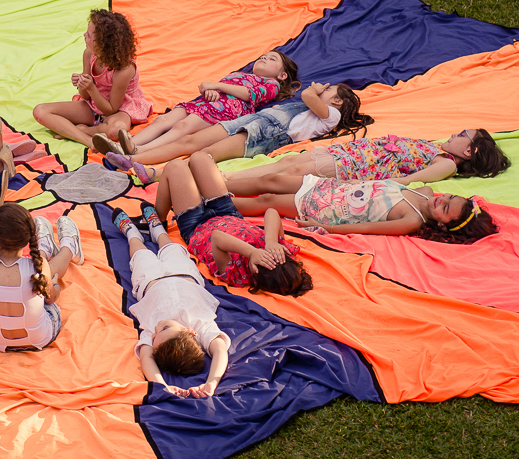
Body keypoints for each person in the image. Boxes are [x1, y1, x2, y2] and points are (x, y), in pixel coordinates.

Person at [105, 83, 371, 181]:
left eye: (329, 90)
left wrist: (315, 89)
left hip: (266, 133)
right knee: (190, 140)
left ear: (336, 101)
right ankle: (135, 153)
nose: (322, 88)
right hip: (253, 119)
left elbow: (308, 95)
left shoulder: (331, 115)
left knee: (205, 154)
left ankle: (153, 173)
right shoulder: (316, 106)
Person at [110, 204, 230, 397]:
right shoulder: (201, 326)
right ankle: (157, 228)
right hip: (183, 273)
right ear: (190, 332)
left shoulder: (154, 333)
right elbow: (220, 350)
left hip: (149, 279)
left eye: (156, 334)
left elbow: (146, 357)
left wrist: (161, 385)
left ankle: (132, 233)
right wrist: (212, 383)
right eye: (165, 328)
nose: (157, 327)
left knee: (139, 253)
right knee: (170, 247)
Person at [152, 155, 312, 295]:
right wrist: (271, 241)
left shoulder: (236, 274)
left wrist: (252, 253)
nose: (265, 255)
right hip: (227, 212)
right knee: (200, 158)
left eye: (262, 259)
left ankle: (157, 220)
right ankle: (194, 190)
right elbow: (271, 211)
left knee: (175, 167)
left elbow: (217, 237)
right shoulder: (277, 252)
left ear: (255, 272)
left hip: (196, 224)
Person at [93, 50, 299, 157]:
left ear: (282, 75)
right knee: (164, 120)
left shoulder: (271, 84)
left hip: (224, 111)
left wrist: (216, 85)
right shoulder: (238, 74)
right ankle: (129, 143)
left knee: (182, 127)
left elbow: (247, 94)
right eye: (263, 56)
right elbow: (220, 87)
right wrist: (210, 89)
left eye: (271, 59)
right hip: (204, 103)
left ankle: (139, 151)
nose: (264, 58)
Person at [230, 172, 498, 243]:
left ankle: (214, 199)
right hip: (332, 187)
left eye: (445, 209)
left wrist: (326, 227)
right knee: (271, 181)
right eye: (449, 197)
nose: (443, 200)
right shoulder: (424, 192)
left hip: (326, 206)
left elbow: (368, 227)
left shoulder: (411, 219)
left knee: (266, 201)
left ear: (441, 225)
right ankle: (218, 181)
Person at [222, 129, 510, 190]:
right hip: (350, 153)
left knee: (294, 169)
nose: (454, 134)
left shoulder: (446, 162)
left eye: (462, 135)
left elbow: (410, 179)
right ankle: (229, 178)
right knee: (288, 163)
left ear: (469, 151)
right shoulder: (438, 148)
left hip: (354, 167)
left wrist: (367, 183)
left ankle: (229, 184)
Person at [32, 8, 152, 148]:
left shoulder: (124, 69)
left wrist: (91, 87)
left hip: (120, 109)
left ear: (103, 45)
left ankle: (84, 130)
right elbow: (85, 96)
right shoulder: (89, 54)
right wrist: (82, 84)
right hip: (93, 106)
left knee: (117, 131)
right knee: (40, 111)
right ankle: (88, 140)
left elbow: (111, 109)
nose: (84, 35)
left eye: (89, 35)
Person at [0, 203, 83, 353]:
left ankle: (45, 248)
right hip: (39, 339)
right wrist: (55, 285)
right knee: (43, 273)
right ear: (27, 240)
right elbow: (50, 299)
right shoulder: (37, 267)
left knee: (39, 272)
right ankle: (69, 248)